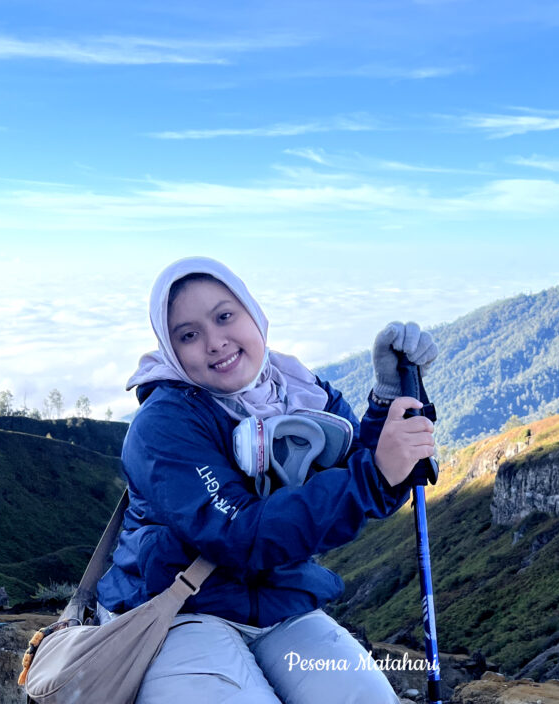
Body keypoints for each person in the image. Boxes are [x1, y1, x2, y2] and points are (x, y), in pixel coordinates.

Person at [96, 257, 438, 703]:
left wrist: (387, 401)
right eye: (188, 335)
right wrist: (374, 476)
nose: (215, 342)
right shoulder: (164, 424)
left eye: (224, 316)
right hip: (179, 609)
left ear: (253, 313)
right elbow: (237, 534)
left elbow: (368, 481)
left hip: (280, 603)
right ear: (171, 349)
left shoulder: (299, 389)